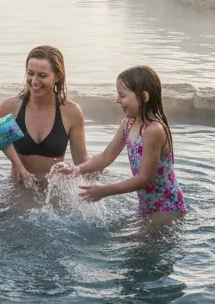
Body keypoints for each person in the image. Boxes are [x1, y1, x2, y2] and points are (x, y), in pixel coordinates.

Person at [58, 65, 185, 225]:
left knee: (142, 241)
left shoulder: (154, 130)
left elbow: (145, 178)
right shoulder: (128, 124)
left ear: (144, 96)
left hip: (167, 208)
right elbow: (105, 157)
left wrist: (105, 190)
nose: (118, 100)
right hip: (146, 206)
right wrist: (76, 170)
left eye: (122, 95)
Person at [0, 45, 87, 184]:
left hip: (54, 193)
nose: (34, 81)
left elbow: (81, 161)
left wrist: (100, 165)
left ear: (58, 76)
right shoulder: (10, 108)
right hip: (18, 191)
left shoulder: (71, 112)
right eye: (30, 73)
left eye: (42, 75)